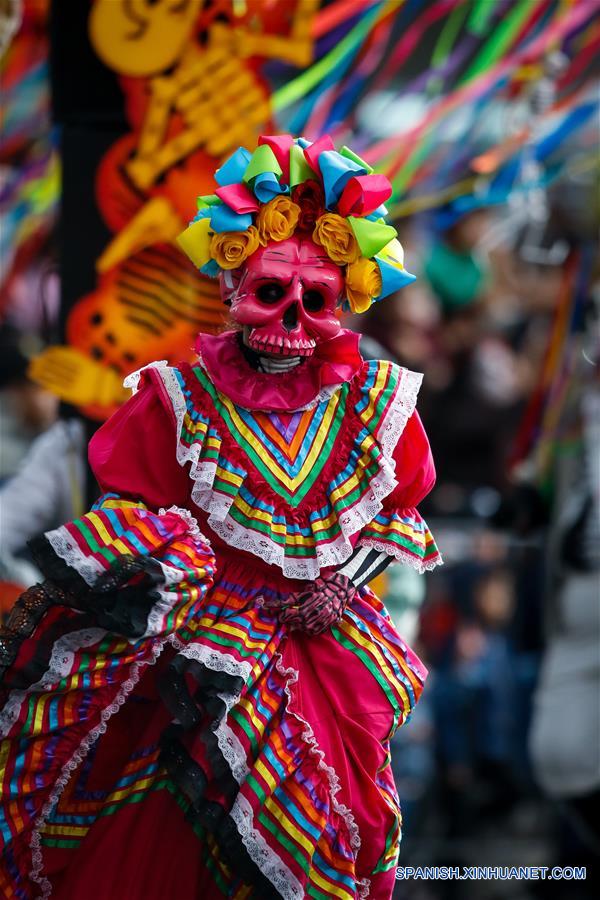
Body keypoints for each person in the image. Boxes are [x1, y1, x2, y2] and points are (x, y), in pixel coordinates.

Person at [0, 135, 442, 899]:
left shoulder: (376, 406)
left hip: (321, 649)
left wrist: (343, 584)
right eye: (270, 292)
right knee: (164, 828)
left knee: (329, 826)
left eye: (316, 299)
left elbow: (397, 515)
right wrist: (163, 573)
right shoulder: (177, 399)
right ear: (232, 281)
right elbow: (138, 516)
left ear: (343, 300)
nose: (290, 319)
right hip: (201, 653)